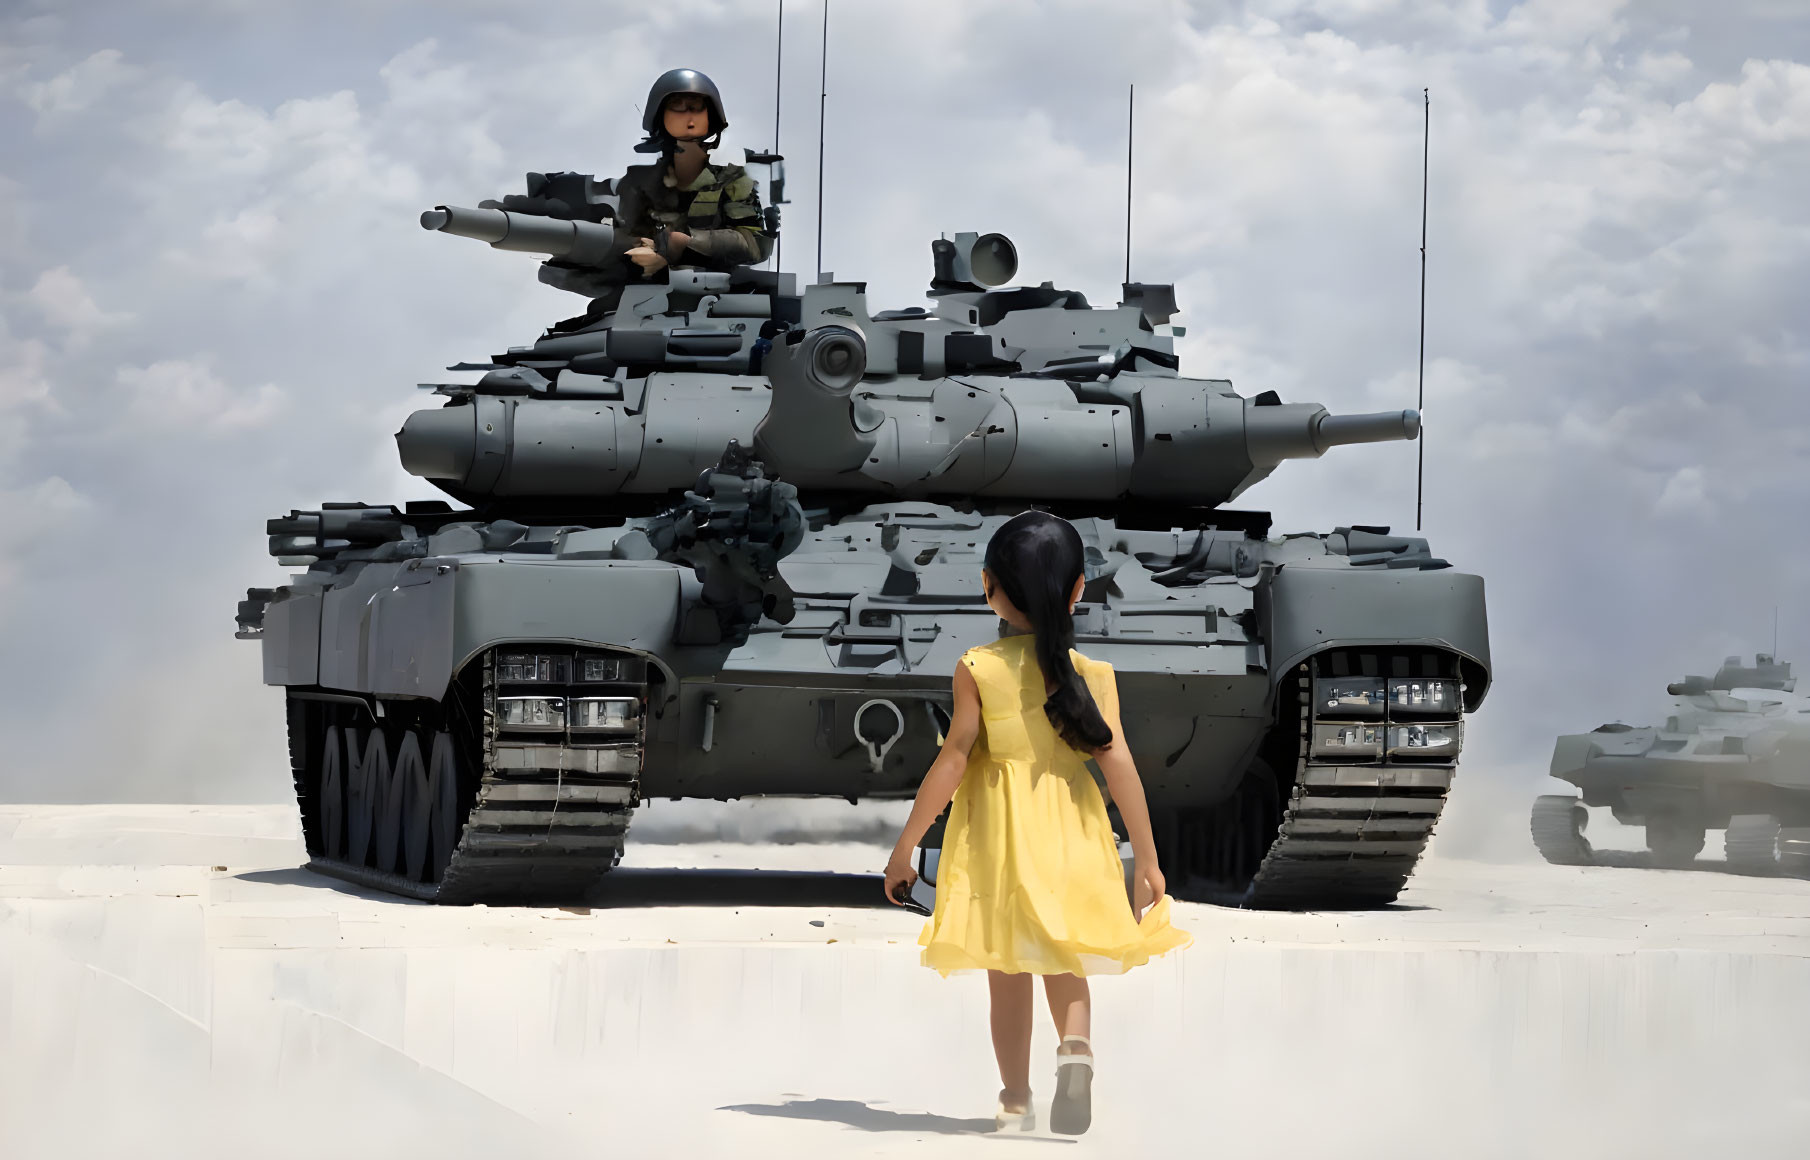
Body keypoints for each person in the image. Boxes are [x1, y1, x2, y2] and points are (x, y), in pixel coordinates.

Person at [883, 511, 1191, 1136]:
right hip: (1074, 833)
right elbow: (1119, 765)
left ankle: (1016, 1099)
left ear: (989, 586)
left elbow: (955, 757)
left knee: (1006, 966)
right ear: (1078, 590)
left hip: (999, 838)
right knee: (1064, 955)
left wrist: (907, 845)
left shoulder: (978, 667)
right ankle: (1075, 1050)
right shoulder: (1094, 678)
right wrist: (1150, 862)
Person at [617, 68, 774, 277]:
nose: (688, 117)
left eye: (696, 107)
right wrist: (643, 247)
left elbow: (754, 245)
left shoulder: (732, 180)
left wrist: (686, 241)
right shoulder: (639, 184)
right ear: (661, 116)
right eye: (677, 107)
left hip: (713, 291)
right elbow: (622, 232)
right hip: (645, 292)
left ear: (710, 116)